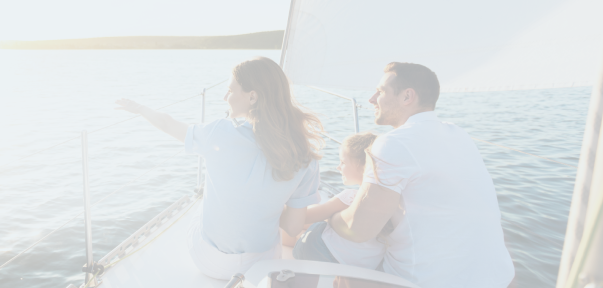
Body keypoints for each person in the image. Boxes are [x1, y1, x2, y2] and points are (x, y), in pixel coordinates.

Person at [114, 56, 324, 280]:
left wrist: (139, 108)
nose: (225, 97)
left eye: (230, 91)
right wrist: (266, 205)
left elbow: (168, 124)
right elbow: (293, 229)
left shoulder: (219, 133)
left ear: (252, 97)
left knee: (201, 203)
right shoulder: (305, 157)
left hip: (209, 261)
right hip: (261, 265)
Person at [326, 62, 515, 288]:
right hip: (499, 279)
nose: (371, 99)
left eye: (381, 91)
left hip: (424, 282)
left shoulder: (393, 143)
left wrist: (330, 217)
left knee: (320, 251)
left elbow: (358, 229)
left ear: (407, 96)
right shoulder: (459, 135)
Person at [292, 132, 392, 270]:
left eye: (343, 162)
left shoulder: (350, 198)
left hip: (319, 253)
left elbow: (302, 218)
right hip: (362, 268)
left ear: (362, 166)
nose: (338, 167)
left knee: (306, 226)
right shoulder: (392, 203)